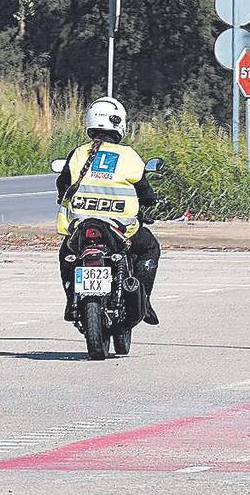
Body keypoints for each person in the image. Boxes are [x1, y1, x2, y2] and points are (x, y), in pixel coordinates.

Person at [55, 96, 161, 326]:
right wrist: (150, 201)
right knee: (150, 248)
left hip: (81, 227)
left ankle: (70, 300)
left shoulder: (78, 153)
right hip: (119, 229)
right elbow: (145, 191)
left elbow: (62, 184)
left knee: (66, 254)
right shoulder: (129, 156)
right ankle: (146, 299)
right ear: (120, 123)